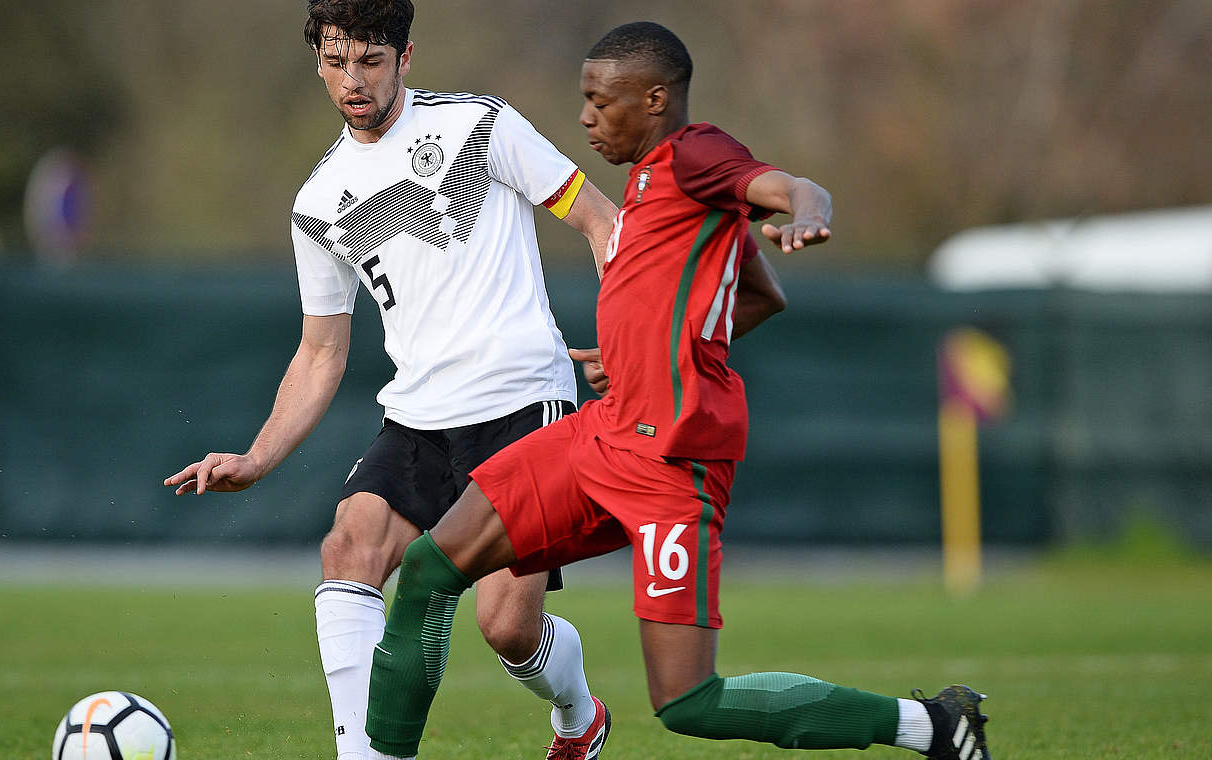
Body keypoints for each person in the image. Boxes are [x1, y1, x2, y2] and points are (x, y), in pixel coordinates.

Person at [363, 21, 992, 760]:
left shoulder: (694, 156)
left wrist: (806, 212)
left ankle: (932, 726)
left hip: (672, 466)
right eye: (584, 100)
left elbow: (791, 187)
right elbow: (758, 297)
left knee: (688, 701)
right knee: (431, 568)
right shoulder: (651, 187)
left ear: (655, 100)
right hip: (604, 431)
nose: (586, 117)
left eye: (601, 102)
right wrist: (637, 358)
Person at [163, 2, 620, 759]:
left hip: (524, 406)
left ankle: (579, 714)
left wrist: (628, 344)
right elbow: (320, 354)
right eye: (338, 61)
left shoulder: (482, 127)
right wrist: (256, 457)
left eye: (371, 61)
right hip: (417, 420)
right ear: (317, 59)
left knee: (508, 629)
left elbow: (602, 221)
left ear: (406, 56)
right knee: (348, 548)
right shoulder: (317, 204)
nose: (354, 79)